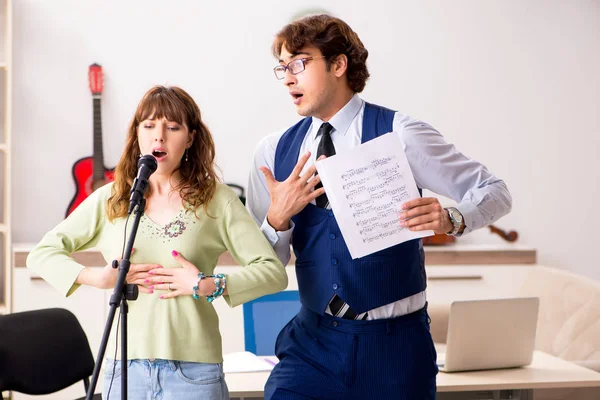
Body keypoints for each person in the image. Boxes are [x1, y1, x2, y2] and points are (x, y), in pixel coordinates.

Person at [246, 14, 512, 399]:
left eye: (299, 63)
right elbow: (266, 267)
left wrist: (453, 218)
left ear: (338, 65)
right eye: (283, 67)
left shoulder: (402, 134)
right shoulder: (272, 153)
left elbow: (494, 190)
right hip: (312, 345)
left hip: (396, 350)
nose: (288, 77)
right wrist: (276, 219)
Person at [27, 85, 288, 400]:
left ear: (190, 138)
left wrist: (208, 284)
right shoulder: (112, 199)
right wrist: (97, 277)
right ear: (136, 133)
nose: (159, 136)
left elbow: (272, 272)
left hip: (194, 374)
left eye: (172, 127)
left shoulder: (217, 200)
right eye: (148, 125)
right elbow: (42, 253)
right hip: (122, 370)